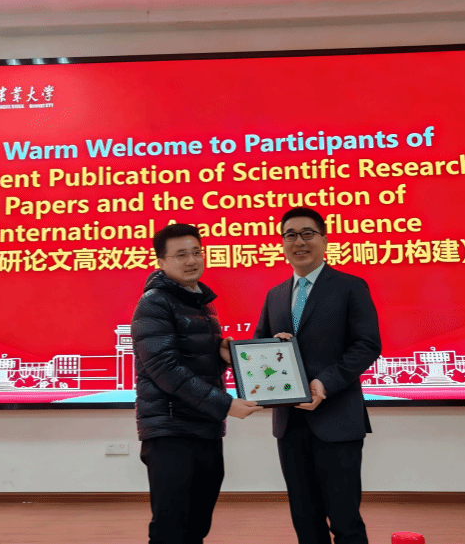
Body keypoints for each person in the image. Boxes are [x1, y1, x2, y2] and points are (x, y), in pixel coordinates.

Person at [254, 207, 382, 544]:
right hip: (289, 424)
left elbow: (367, 345)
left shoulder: (350, 286)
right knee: (305, 520)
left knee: (345, 521)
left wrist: (325, 383)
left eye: (307, 233)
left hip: (337, 419)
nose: (299, 242)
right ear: (282, 243)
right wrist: (272, 347)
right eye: (290, 235)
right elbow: (258, 346)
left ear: (324, 240)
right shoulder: (275, 295)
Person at [132, 223, 263, 544]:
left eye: (196, 252)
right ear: (161, 261)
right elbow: (164, 369)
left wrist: (223, 357)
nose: (192, 261)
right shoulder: (155, 303)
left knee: (196, 525)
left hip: (204, 428)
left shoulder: (203, 304)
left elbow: (195, 361)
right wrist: (225, 404)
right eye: (181, 255)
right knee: (171, 529)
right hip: (171, 430)